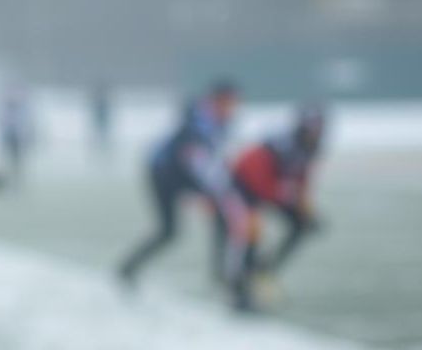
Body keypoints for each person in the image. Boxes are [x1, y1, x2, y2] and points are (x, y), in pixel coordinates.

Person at [117, 79, 243, 293]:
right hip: (164, 173)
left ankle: (220, 273)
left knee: (220, 216)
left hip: (184, 173)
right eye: (227, 102)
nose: (231, 108)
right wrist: (217, 190)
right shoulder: (199, 120)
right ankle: (128, 268)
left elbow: (210, 160)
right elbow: (195, 159)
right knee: (170, 230)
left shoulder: (219, 122)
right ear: (215, 101)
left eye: (233, 103)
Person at [225, 104, 328, 310]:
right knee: (250, 234)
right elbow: (256, 172)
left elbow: (301, 177)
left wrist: (305, 208)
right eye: (312, 128)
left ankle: (265, 268)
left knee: (301, 224)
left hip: (270, 187)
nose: (315, 133)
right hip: (246, 184)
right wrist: (280, 197)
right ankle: (240, 289)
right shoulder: (282, 144)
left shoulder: (312, 147)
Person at [0, 84, 34, 186]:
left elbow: (26, 123)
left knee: (17, 162)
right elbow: (1, 122)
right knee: (8, 161)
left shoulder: (22, 108)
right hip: (8, 137)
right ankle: (9, 181)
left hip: (17, 138)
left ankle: (17, 181)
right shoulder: (4, 107)